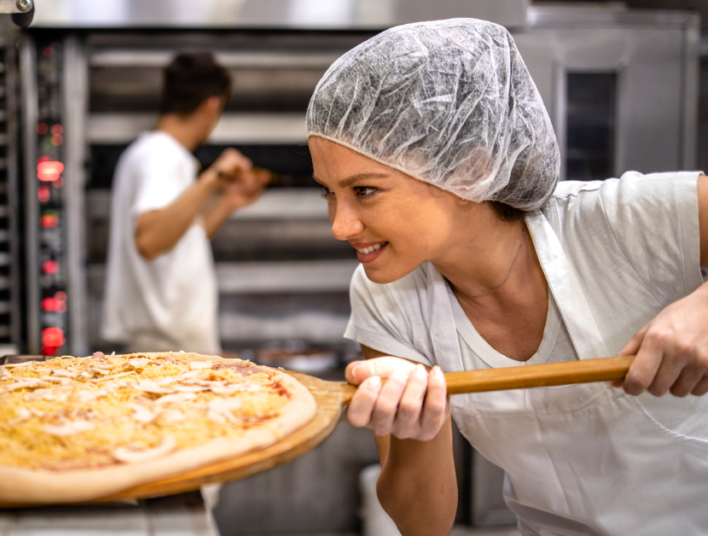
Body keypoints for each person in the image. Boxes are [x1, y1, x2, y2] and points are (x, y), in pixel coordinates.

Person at [306, 19, 708, 536]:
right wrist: (414, 425)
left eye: (364, 191)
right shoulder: (387, 294)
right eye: (328, 193)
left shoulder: (621, 220)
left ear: (469, 168)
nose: (340, 226)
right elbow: (424, 525)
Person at [102, 52, 269, 355]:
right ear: (212, 104)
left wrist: (228, 202)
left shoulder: (150, 152)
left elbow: (180, 238)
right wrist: (212, 178)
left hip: (170, 344)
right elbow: (151, 240)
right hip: (168, 350)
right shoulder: (162, 156)